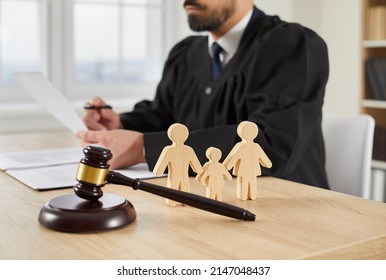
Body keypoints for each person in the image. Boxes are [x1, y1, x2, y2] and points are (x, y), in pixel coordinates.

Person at [77, 0, 330, 189]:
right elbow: (165, 115)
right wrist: (120, 123)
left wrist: (142, 148)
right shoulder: (186, 53)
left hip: (285, 206)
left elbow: (271, 144)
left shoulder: (292, 45)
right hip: (204, 196)